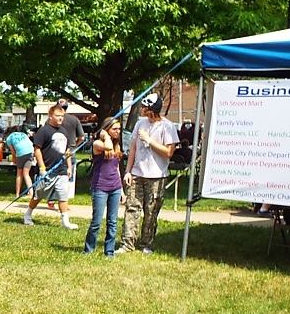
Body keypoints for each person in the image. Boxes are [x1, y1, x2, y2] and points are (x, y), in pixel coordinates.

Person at [120, 94, 179, 254]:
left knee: (151, 211)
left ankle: (146, 244)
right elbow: (133, 148)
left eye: (144, 107)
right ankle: (127, 244)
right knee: (132, 208)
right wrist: (128, 171)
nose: (142, 109)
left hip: (157, 176)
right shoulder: (140, 123)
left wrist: (149, 140)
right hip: (137, 174)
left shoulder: (167, 126)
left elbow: (169, 152)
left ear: (152, 109)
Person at [23, 104, 77, 229]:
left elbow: (67, 151)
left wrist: (69, 166)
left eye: (62, 116)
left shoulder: (64, 131)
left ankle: (65, 221)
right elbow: (37, 149)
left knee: (63, 195)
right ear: (50, 116)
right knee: (39, 195)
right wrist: (42, 168)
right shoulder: (44, 131)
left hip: (61, 170)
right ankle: (28, 215)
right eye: (57, 116)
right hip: (47, 170)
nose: (60, 118)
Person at [83, 118, 124, 256]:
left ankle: (109, 251)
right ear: (106, 129)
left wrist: (122, 190)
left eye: (119, 129)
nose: (118, 131)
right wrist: (105, 136)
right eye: (114, 129)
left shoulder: (117, 146)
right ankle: (89, 249)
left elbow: (116, 168)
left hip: (115, 187)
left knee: (112, 222)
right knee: (96, 222)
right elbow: (108, 147)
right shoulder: (97, 144)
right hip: (100, 187)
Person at [4, 125, 35, 197]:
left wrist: (14, 160)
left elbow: (13, 152)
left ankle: (17, 194)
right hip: (30, 152)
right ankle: (31, 193)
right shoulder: (23, 134)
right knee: (26, 174)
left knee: (19, 174)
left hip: (21, 153)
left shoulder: (9, 138)